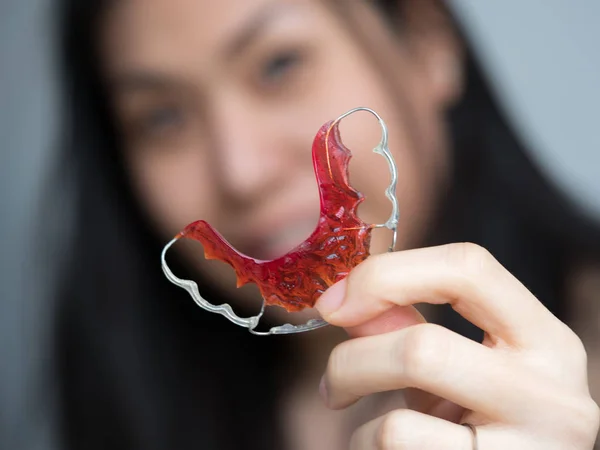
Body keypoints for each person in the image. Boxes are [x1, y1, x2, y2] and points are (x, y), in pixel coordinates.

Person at [55, 0, 600, 448]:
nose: (241, 172)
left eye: (279, 64)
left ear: (426, 44)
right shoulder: (127, 411)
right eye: (162, 117)